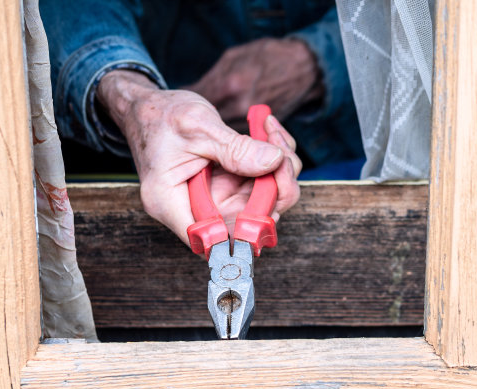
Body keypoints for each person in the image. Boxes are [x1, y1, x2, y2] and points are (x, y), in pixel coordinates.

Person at [39, 1, 364, 246]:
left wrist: (319, 58)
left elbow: (408, 21)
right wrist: (136, 102)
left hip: (346, 155)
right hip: (136, 160)